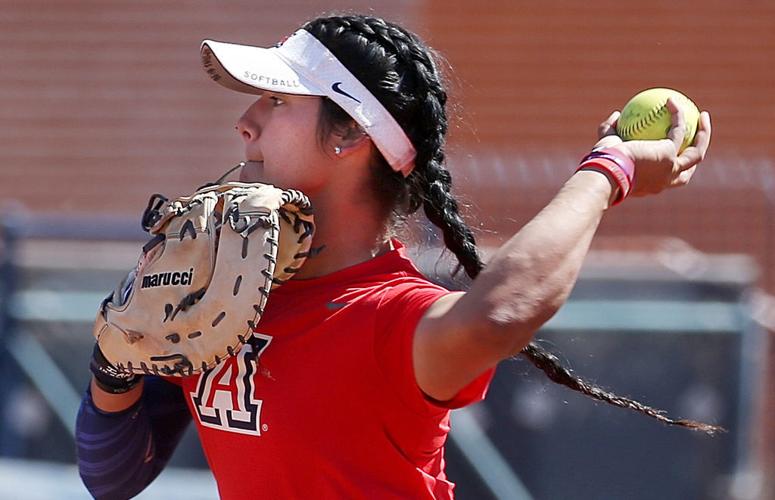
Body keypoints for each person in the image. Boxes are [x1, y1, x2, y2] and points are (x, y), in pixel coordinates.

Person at [75, 14, 713, 500]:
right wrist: (115, 363)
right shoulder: (230, 289)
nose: (246, 121)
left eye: (277, 101)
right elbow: (111, 476)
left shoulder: (392, 317)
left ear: (352, 131)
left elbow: (503, 311)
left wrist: (608, 169)